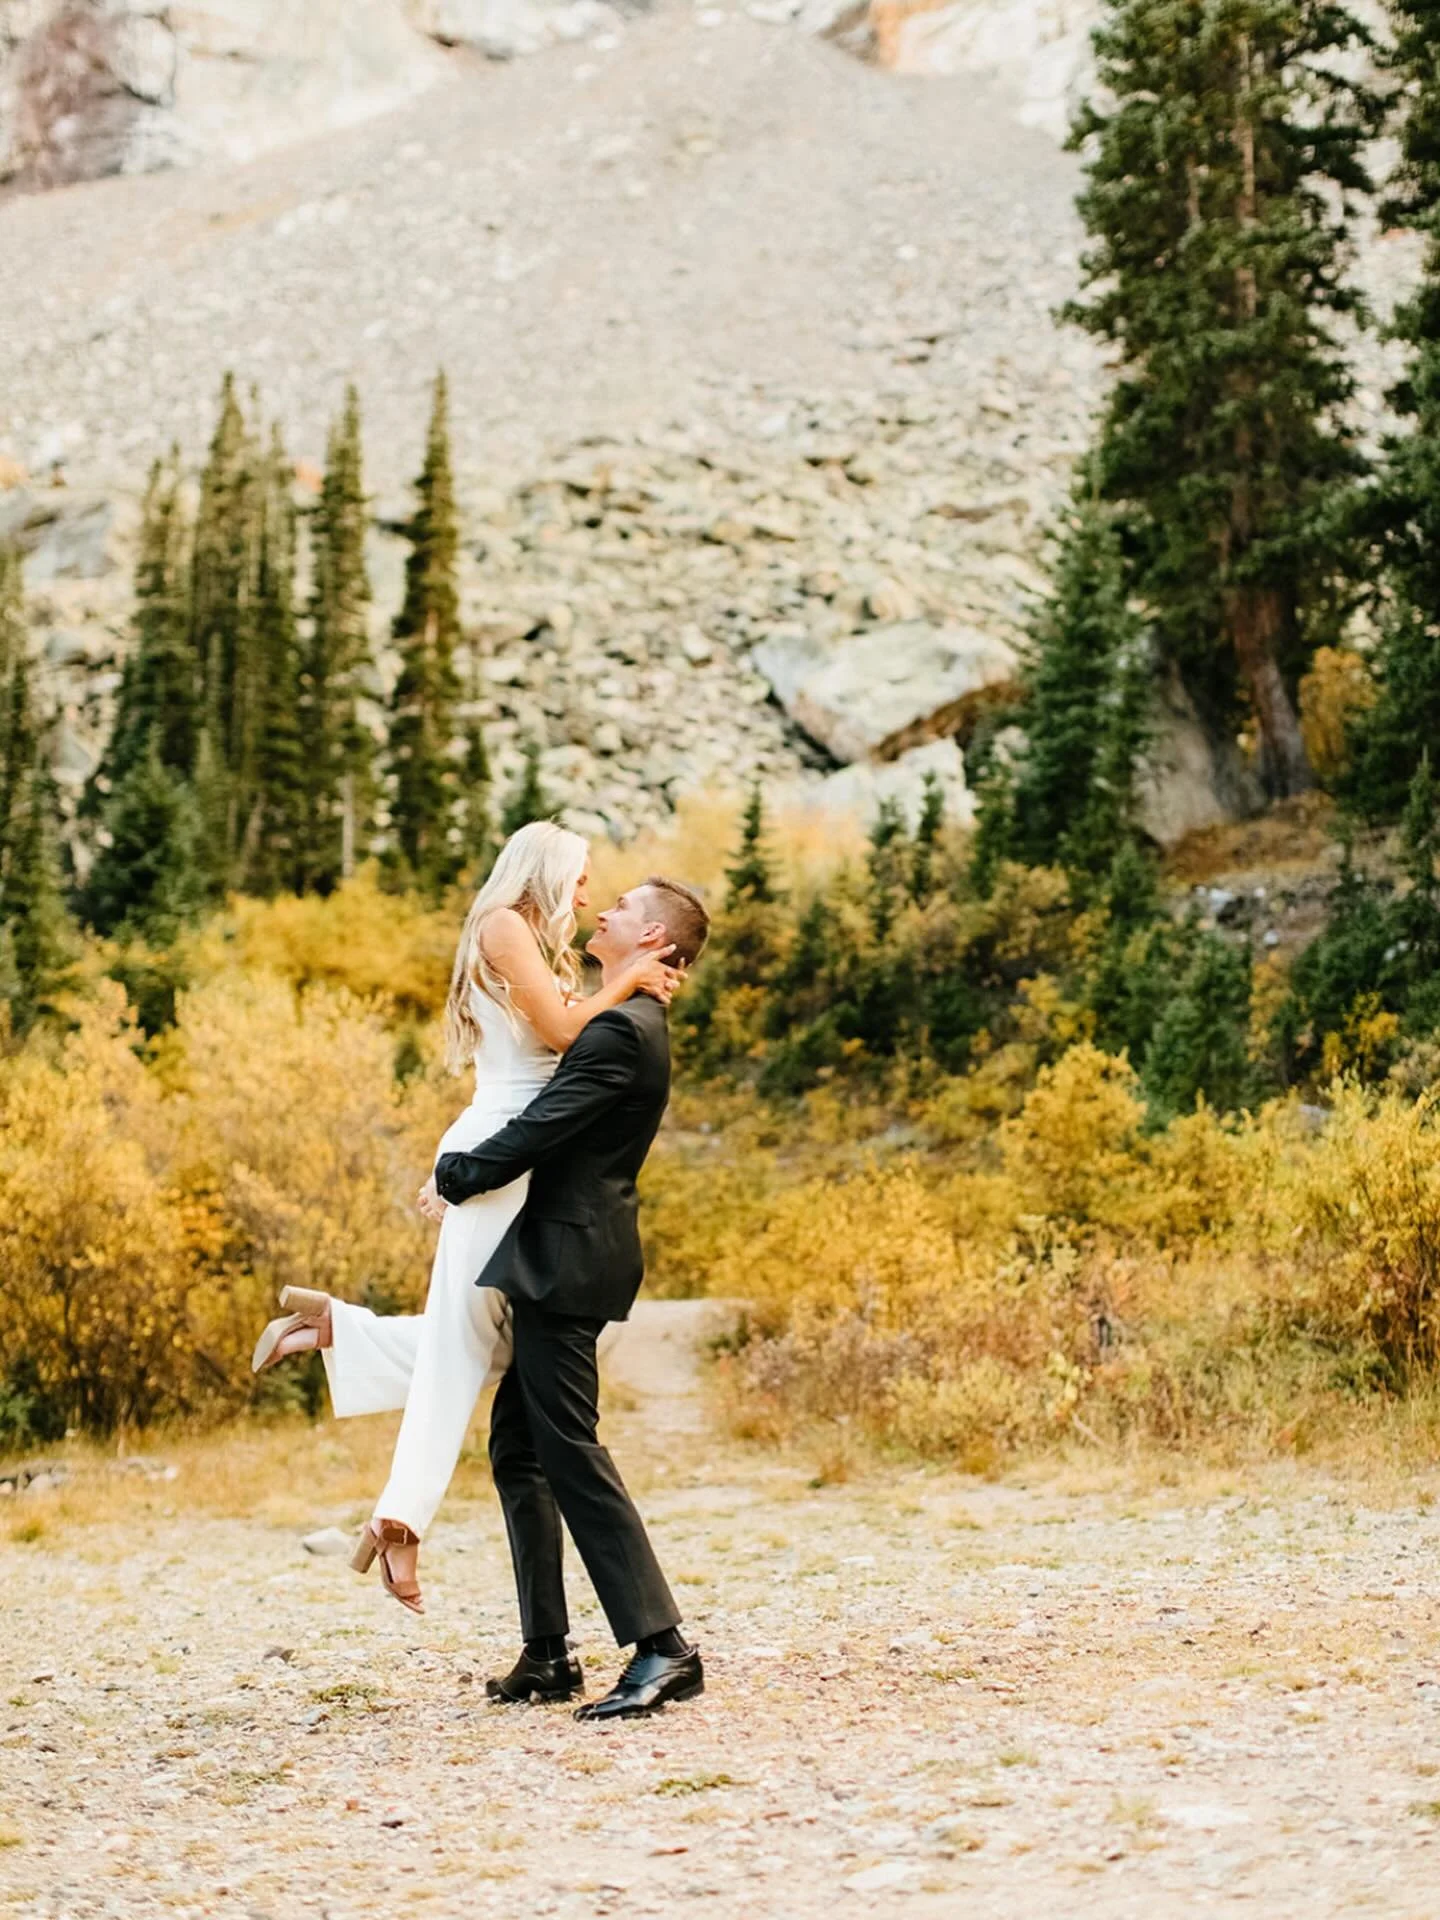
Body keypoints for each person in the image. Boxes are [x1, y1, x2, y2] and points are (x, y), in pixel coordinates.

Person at [249, 822, 680, 1613]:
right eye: (583, 877)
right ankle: (400, 1519)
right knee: (472, 1340)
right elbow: (556, 1035)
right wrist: (622, 986)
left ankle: (347, 1345)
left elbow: (558, 1037)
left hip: (509, 1147)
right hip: (503, 1145)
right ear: (547, 868)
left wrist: (612, 991)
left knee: (494, 1344)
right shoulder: (504, 924)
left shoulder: (536, 942)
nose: (587, 894)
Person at [432, 874, 711, 1721]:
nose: (605, 911)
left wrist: (457, 1174)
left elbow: (543, 1125)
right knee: (520, 1449)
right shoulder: (621, 1018)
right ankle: (548, 1653)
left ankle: (663, 1647)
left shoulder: (622, 1032)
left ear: (655, 940)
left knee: (569, 1449)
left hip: (569, 1254)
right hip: (559, 1252)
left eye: (624, 907)